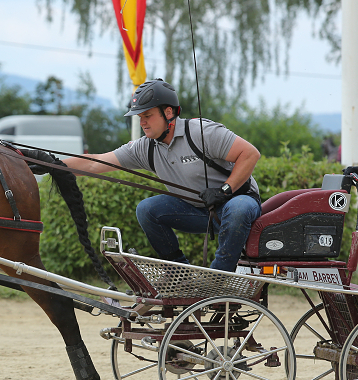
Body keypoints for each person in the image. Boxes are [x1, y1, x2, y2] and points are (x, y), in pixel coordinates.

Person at [62, 79, 262, 272]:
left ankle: (218, 278)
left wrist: (224, 190)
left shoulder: (202, 133)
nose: (142, 122)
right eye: (139, 117)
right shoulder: (144, 148)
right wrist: (48, 163)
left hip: (237, 203)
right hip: (199, 212)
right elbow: (93, 163)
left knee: (238, 208)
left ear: (168, 113)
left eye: (147, 116)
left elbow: (250, 154)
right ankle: (178, 273)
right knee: (147, 209)